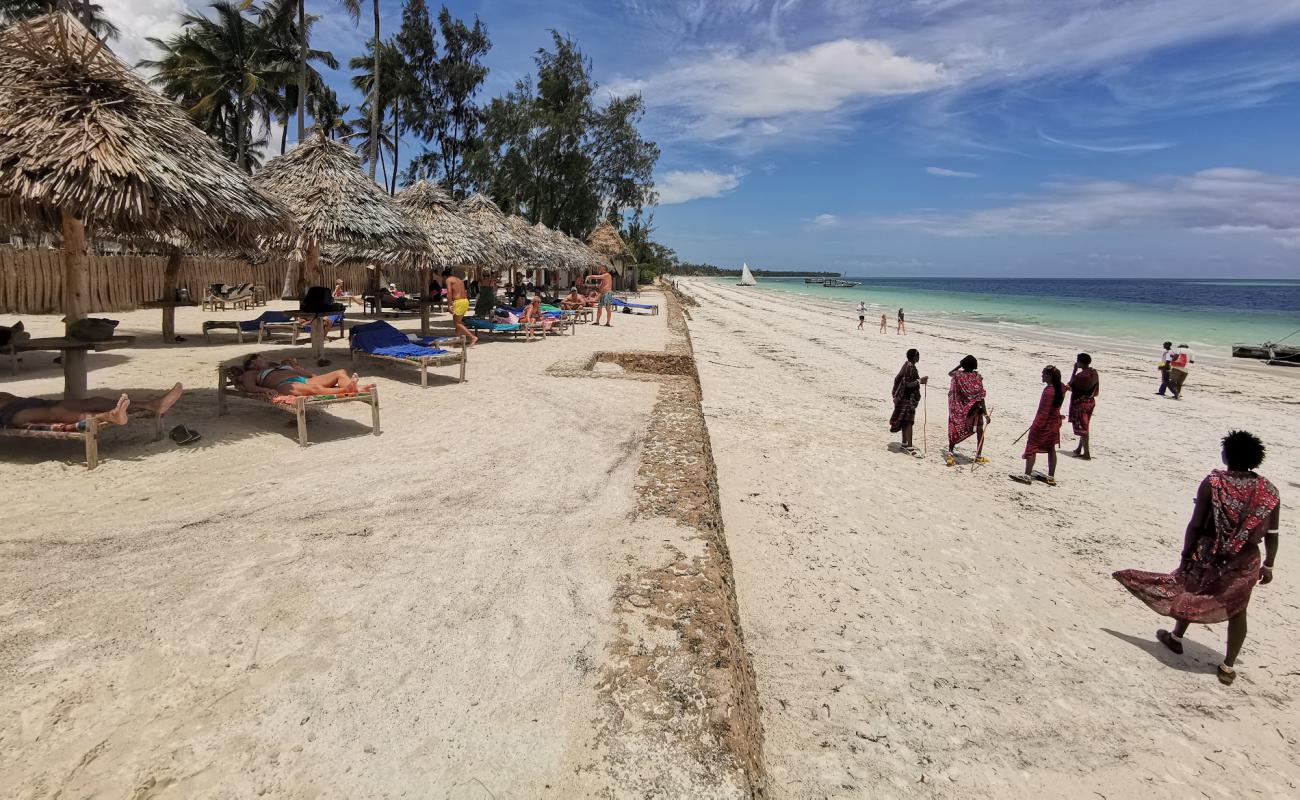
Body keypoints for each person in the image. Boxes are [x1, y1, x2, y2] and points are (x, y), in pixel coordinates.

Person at [1113, 431, 1281, 686]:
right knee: (1238, 609)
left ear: (1226, 455)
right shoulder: (1268, 490)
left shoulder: (1213, 483)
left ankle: (1176, 638)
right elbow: (1272, 533)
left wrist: (1185, 554)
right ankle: (1228, 665)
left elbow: (1196, 523)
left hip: (1209, 551)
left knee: (1193, 591)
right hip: (1246, 558)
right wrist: (1269, 564)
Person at [0, 383, 183, 428]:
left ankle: (153, 405)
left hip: (22, 401)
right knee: (55, 412)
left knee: (93, 401)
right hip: (7, 416)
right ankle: (109, 416)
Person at [1011, 365, 1065, 486]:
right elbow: (1068, 385)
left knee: (1032, 446)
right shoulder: (1060, 388)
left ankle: (1027, 475)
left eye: (1044, 373)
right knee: (1051, 448)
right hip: (1054, 424)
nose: (1042, 375)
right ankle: (1051, 477)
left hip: (1044, 424)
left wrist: (1035, 426)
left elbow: (1043, 412)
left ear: (1049, 376)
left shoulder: (1049, 391)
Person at [236, 355, 358, 397]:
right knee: (314, 389)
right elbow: (250, 387)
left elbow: (309, 375)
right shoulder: (251, 373)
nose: (255, 362)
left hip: (303, 380)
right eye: (251, 362)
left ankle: (356, 389)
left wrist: (295, 366)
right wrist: (266, 390)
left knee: (339, 372)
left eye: (257, 358)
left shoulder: (278, 365)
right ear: (250, 366)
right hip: (285, 385)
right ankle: (346, 390)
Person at [946, 355, 991, 467]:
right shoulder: (977, 377)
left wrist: (959, 365)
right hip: (976, 409)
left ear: (963, 364)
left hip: (961, 409)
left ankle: (950, 451)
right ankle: (979, 455)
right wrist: (986, 414)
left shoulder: (958, 375)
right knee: (980, 430)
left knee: (955, 428)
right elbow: (981, 397)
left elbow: (950, 373)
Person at [889, 348, 928, 456]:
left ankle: (904, 443)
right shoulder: (911, 368)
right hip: (907, 398)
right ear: (915, 357)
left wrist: (920, 381)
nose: (919, 357)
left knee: (905, 420)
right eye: (918, 355)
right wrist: (920, 381)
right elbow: (908, 384)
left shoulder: (906, 365)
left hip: (903, 398)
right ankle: (910, 446)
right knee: (909, 421)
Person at [1067, 353, 1100, 459]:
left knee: (1083, 428)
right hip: (1090, 401)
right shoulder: (1093, 372)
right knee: (1085, 426)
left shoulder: (1081, 376)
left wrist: (1074, 371)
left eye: (1077, 360)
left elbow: (1070, 385)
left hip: (1081, 403)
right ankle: (1079, 448)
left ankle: (1087, 454)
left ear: (1080, 362)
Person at [443, 269, 478, 346]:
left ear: (445, 276)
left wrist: (449, 305)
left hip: (459, 302)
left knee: (457, 323)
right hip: (465, 301)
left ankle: (472, 337)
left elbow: (449, 292)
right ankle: (458, 339)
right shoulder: (459, 280)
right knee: (458, 322)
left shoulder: (448, 280)